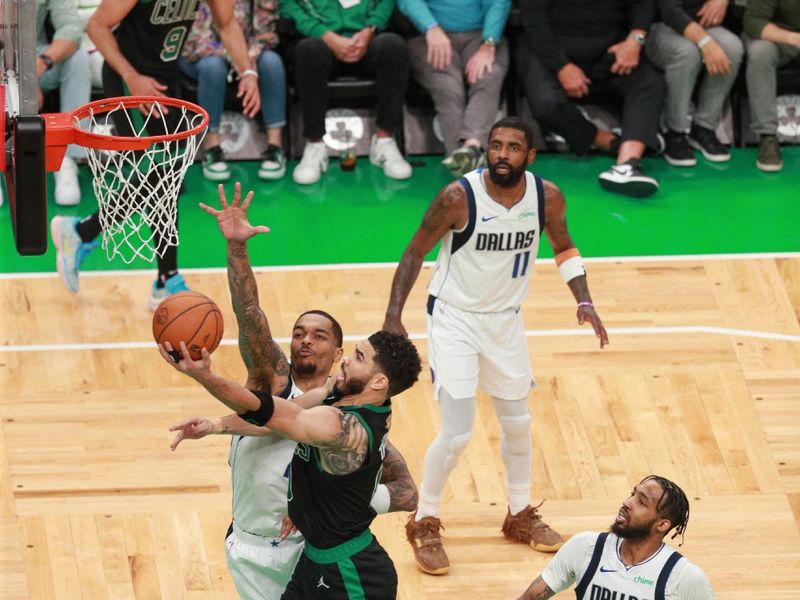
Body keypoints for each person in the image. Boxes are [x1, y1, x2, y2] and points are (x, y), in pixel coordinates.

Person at [166, 183, 418, 599]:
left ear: (338, 352)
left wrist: (327, 512)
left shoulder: (348, 422)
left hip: (310, 550)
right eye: (299, 332)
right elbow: (250, 320)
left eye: (319, 336)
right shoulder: (280, 383)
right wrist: (237, 250)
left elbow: (407, 492)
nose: (305, 340)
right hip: (251, 542)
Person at [383, 116, 609, 575]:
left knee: (519, 424)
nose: (502, 154)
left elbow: (564, 247)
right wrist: (393, 317)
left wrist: (583, 298)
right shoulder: (457, 197)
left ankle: (519, 515)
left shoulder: (547, 197)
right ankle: (424, 520)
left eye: (512, 147)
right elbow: (414, 251)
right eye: (496, 146)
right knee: (459, 431)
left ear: (530, 155)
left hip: (505, 323)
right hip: (454, 320)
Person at [159, 328, 422, 599]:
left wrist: (205, 376)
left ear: (379, 382)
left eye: (358, 357)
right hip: (315, 562)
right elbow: (281, 416)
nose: (345, 360)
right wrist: (215, 425)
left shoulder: (342, 428)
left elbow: (270, 413)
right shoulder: (357, 397)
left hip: (351, 576)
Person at [49, 0, 259, 309]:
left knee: (169, 180)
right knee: (160, 177)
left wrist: (248, 71)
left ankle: (82, 231)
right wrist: (132, 78)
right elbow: (96, 26)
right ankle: (166, 278)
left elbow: (227, 24)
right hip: (128, 80)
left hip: (165, 81)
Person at [517, 0, 666, 198]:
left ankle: (627, 165)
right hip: (550, 50)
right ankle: (607, 141)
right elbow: (534, 19)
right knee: (546, 104)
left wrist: (634, 41)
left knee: (650, 83)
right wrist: (562, 66)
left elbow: (642, 4)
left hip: (610, 50)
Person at [516, 475, 715, 600]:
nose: (627, 502)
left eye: (641, 502)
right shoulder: (585, 547)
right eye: (632, 494)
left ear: (662, 524)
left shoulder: (683, 578)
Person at [280, 0, 413, 184]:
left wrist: (369, 30)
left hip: (366, 39)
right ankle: (315, 144)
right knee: (308, 50)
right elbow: (288, 5)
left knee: (393, 46)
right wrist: (325, 35)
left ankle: (384, 141)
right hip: (321, 39)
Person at [397, 0, 511, 176]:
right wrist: (431, 27)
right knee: (447, 85)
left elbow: (499, 3)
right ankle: (465, 162)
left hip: (481, 35)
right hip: (427, 35)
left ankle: (471, 146)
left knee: (489, 74)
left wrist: (489, 42)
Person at [180, 1, 288, 182]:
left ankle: (275, 147)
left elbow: (266, 35)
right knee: (213, 68)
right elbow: (195, 41)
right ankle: (212, 148)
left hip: (246, 53)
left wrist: (248, 60)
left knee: (271, 62)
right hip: (201, 52)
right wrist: (240, 64)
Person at [645, 0, 743, 167]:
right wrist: (705, 42)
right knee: (687, 53)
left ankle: (704, 127)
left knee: (732, 47)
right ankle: (674, 131)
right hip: (660, 25)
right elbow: (670, 11)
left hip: (701, 21)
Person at [36, 0, 93, 206]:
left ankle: (67, 159)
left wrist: (34, 69)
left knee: (77, 59)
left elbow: (71, 28)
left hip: (32, 57)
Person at [744, 0, 800, 172]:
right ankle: (767, 136)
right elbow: (754, 21)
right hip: (779, 36)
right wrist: (793, 38)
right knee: (761, 53)